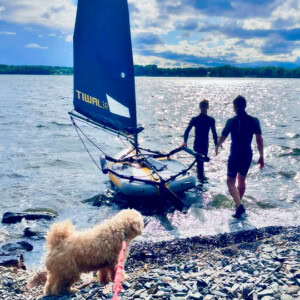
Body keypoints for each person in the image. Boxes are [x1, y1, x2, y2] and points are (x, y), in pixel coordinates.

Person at [215, 95, 264, 218]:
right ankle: (238, 205)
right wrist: (261, 156)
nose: (233, 109)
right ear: (245, 106)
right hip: (247, 154)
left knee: (230, 182)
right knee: (241, 179)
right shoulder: (254, 120)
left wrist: (217, 145)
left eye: (234, 107)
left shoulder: (231, 121)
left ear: (236, 107)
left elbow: (223, 138)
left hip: (235, 154)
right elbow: (259, 140)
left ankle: (239, 206)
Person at [182, 100, 218, 181]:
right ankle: (201, 179)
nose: (203, 108)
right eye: (202, 106)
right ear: (200, 107)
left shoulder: (211, 120)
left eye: (205, 106)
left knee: (201, 162)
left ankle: (200, 178)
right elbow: (187, 131)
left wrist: (216, 145)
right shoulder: (195, 119)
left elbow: (214, 134)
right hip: (197, 144)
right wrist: (185, 141)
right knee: (200, 162)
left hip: (205, 144)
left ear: (207, 107)